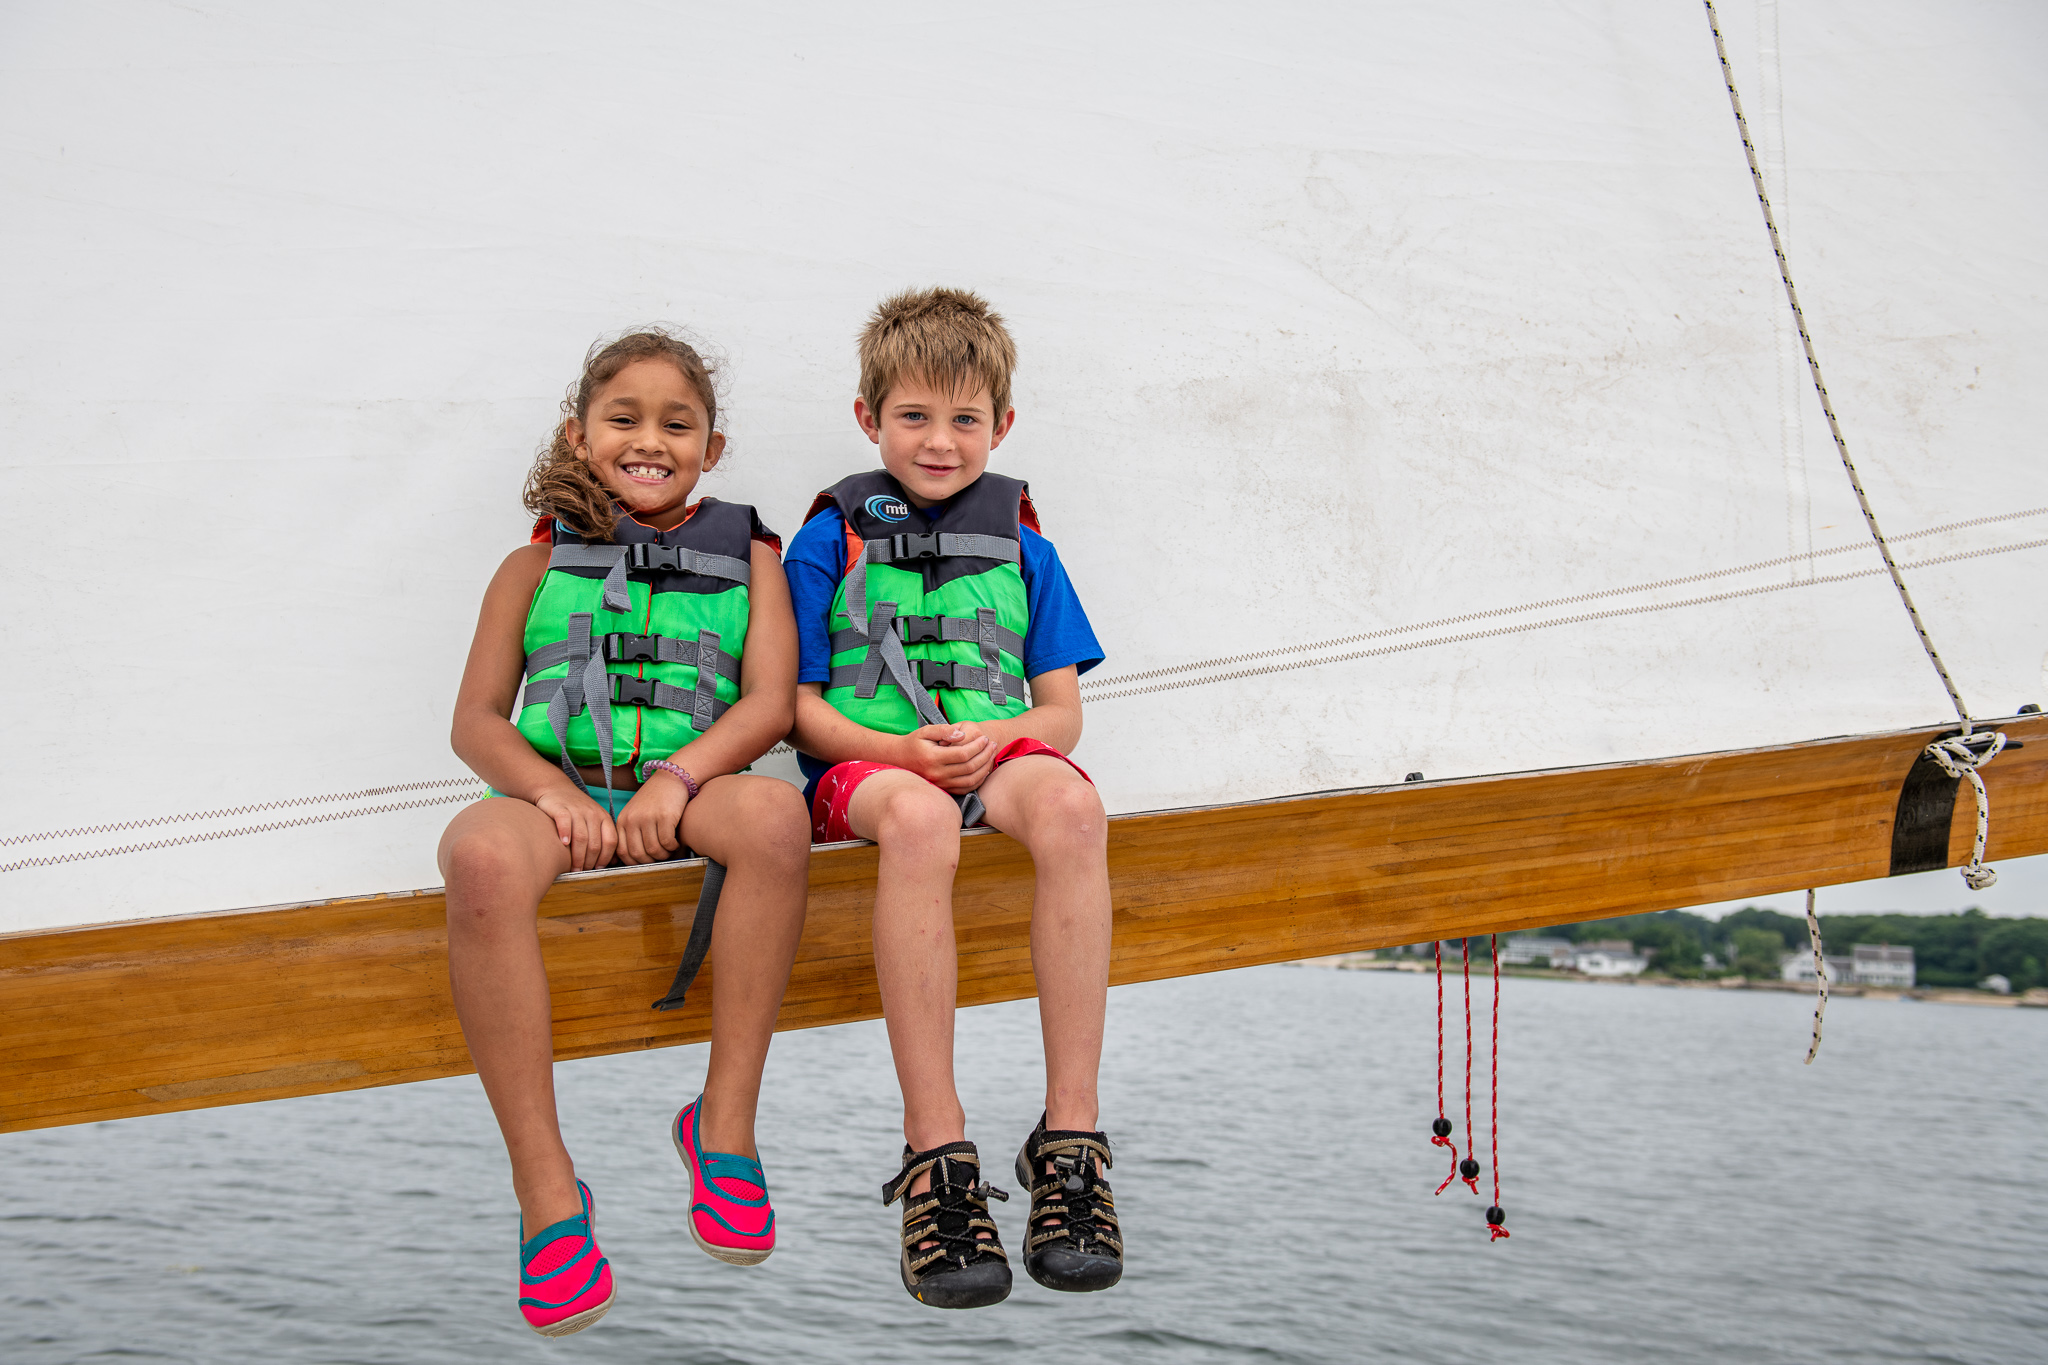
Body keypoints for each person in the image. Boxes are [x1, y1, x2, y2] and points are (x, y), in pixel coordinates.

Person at [439, 330, 810, 1336]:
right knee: (474, 855)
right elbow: (476, 719)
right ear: (580, 432)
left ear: (712, 448)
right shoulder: (531, 566)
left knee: (777, 817)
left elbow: (770, 702)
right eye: (624, 418)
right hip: (556, 793)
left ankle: (721, 1128)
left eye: (675, 424)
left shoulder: (753, 559)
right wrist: (551, 797)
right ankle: (547, 1190)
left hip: (691, 789)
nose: (649, 440)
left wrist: (678, 776)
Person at [784, 288, 1121, 1309]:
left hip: (991, 752)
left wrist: (1000, 740)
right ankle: (935, 1157)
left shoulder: (1025, 547)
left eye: (963, 419)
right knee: (922, 817)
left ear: (1000, 426)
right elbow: (801, 713)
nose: (939, 442)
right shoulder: (825, 541)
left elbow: (1058, 713)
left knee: (1070, 809)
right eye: (914, 417)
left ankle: (1070, 1144)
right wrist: (899, 750)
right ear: (867, 419)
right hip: (872, 772)